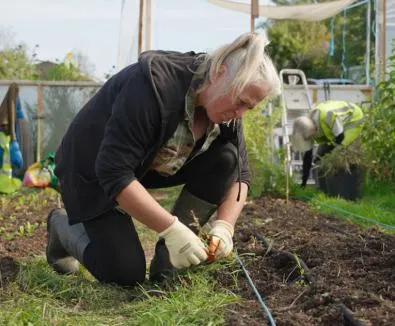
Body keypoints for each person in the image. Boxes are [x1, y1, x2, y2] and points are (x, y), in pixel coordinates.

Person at [46, 32, 281, 286]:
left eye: (249, 107)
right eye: (241, 102)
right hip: (90, 169)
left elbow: (240, 174)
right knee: (124, 274)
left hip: (140, 167)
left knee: (226, 158)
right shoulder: (153, 86)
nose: (241, 114)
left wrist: (225, 226)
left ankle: (167, 264)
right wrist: (170, 228)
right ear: (219, 73)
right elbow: (114, 172)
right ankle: (61, 226)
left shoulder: (227, 111)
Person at [292, 100, 364, 187]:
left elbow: (340, 138)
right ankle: (323, 188)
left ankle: (341, 187)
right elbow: (309, 154)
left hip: (353, 119)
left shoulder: (328, 116)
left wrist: (326, 153)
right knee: (319, 157)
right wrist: (304, 180)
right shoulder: (308, 125)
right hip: (336, 128)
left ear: (313, 130)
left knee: (338, 152)